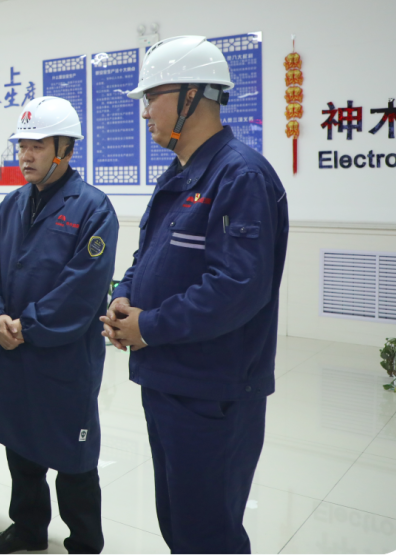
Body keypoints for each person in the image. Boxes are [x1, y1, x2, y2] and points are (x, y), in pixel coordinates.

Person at [100, 35, 289, 554]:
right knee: (180, 524)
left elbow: (238, 287)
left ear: (191, 95)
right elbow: (150, 255)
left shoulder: (240, 175)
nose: (144, 112)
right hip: (168, 377)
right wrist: (124, 295)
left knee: (208, 533)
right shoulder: (183, 174)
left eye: (151, 97)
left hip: (212, 390)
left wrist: (148, 325)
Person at [0, 97, 117, 555]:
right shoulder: (12, 204)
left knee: (73, 456)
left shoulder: (93, 208)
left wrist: (27, 326)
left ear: (65, 149)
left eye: (37, 146)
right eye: (22, 146)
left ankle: (85, 543)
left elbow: (82, 287)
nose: (25, 156)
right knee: (21, 444)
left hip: (64, 356)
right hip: (14, 348)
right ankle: (29, 529)